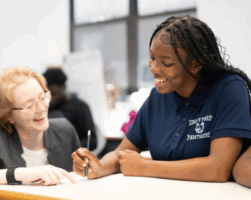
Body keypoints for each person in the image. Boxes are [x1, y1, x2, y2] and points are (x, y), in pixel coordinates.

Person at [71, 15, 251, 182]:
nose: (154, 69)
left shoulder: (229, 87)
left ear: (195, 65)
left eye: (167, 62)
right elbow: (122, 154)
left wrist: (145, 167)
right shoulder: (157, 97)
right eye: (152, 58)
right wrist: (99, 166)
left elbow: (218, 169)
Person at [0, 66, 80, 199]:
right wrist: (18, 174)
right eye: (29, 105)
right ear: (8, 115)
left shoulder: (64, 130)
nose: (42, 108)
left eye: (43, 98)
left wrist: (90, 170)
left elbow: (79, 180)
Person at [43, 67, 97, 151]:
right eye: (46, 95)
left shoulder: (80, 107)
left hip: (72, 156)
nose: (50, 99)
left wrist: (68, 146)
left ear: (63, 87)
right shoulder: (46, 107)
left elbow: (92, 141)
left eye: (53, 94)